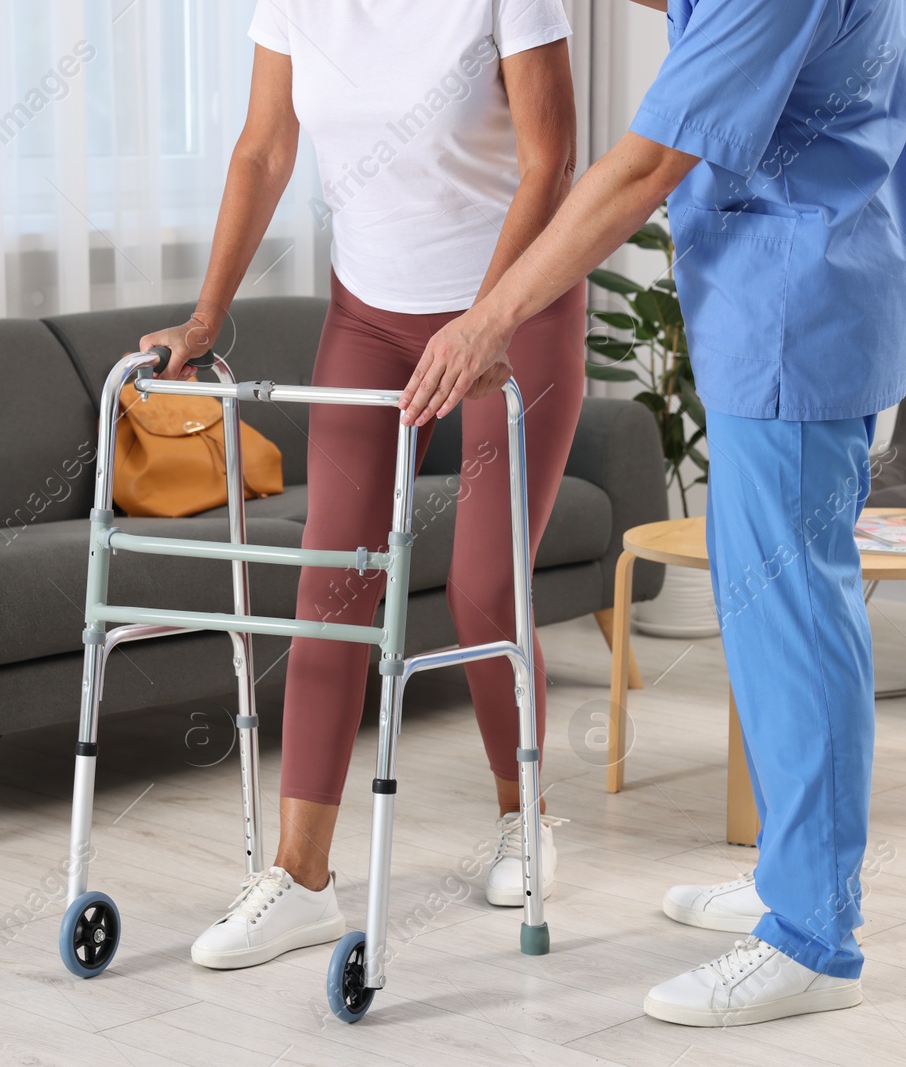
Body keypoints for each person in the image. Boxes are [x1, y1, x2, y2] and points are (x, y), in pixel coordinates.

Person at [402, 0, 906, 1027]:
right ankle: (796, 872)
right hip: (790, 308)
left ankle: (811, 933)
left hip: (791, 318)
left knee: (795, 629)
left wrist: (491, 316)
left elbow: (644, 169)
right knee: (771, 617)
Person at [138, 0, 585, 970]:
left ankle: (524, 813)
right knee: (330, 587)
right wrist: (207, 314)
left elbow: (551, 157)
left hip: (518, 313)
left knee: (483, 586)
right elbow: (262, 149)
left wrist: (490, 319)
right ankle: (301, 877)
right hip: (371, 314)